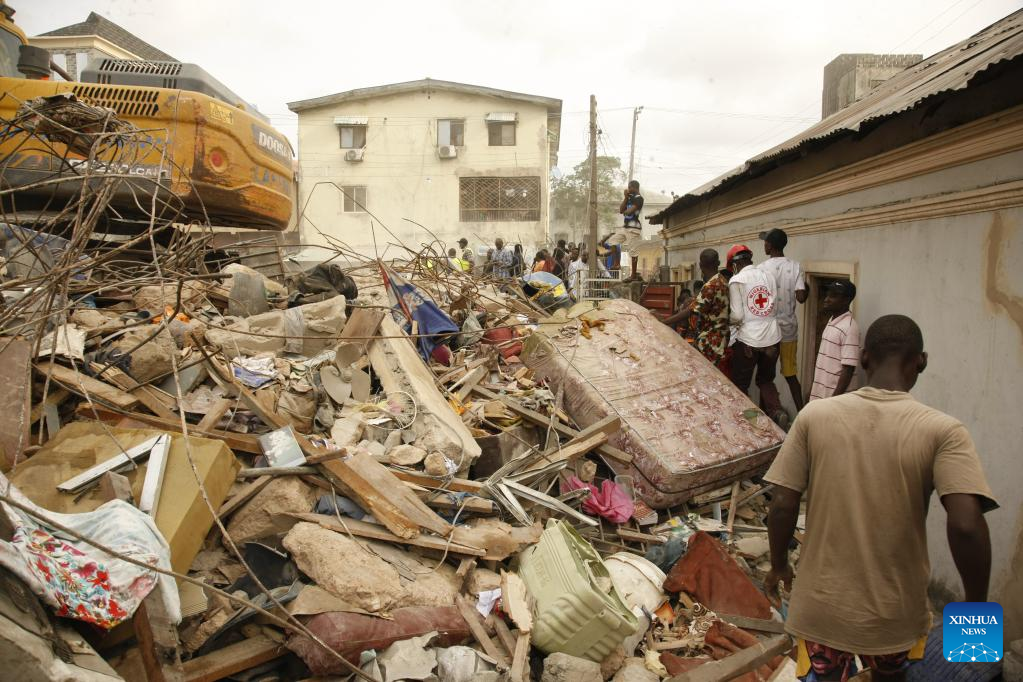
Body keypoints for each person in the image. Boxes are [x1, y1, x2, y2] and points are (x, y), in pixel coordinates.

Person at [764, 314, 995, 682]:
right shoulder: (943, 430)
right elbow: (967, 524)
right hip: (895, 615)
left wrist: (779, 565)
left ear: (865, 359)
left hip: (822, 607)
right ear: (921, 361)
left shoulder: (815, 416)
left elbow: (782, 503)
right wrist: (976, 611)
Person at [726, 244, 785, 424]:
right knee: (766, 380)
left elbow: (737, 315)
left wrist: (727, 322)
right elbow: (772, 307)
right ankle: (776, 412)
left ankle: (749, 422)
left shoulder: (737, 280)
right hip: (773, 338)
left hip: (748, 340)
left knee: (741, 384)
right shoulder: (769, 276)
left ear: (735, 264)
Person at [758, 229, 807, 410]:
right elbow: (801, 297)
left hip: (768, 332)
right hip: (788, 331)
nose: (764, 245)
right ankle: (802, 413)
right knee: (790, 374)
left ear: (770, 246)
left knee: (765, 377)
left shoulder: (761, 269)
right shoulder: (794, 266)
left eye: (765, 242)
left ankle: (770, 413)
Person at [663, 249, 731, 371]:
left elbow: (690, 311)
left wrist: (664, 322)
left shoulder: (711, 285)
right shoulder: (722, 281)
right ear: (718, 262)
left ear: (700, 265)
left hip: (711, 342)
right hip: (721, 339)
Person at [808, 280, 859, 401]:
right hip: (822, 394)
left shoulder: (849, 327)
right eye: (828, 295)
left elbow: (848, 368)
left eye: (833, 296)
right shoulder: (832, 320)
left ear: (846, 300)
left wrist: (834, 400)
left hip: (835, 398)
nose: (827, 299)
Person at [606, 180, 644, 279]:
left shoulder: (639, 198)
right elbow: (621, 210)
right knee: (612, 241)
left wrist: (626, 210)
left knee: (633, 251)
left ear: (634, 187)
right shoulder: (629, 198)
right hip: (626, 227)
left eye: (629, 187)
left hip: (634, 228)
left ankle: (634, 275)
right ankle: (616, 264)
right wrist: (626, 198)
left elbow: (628, 212)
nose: (628, 189)